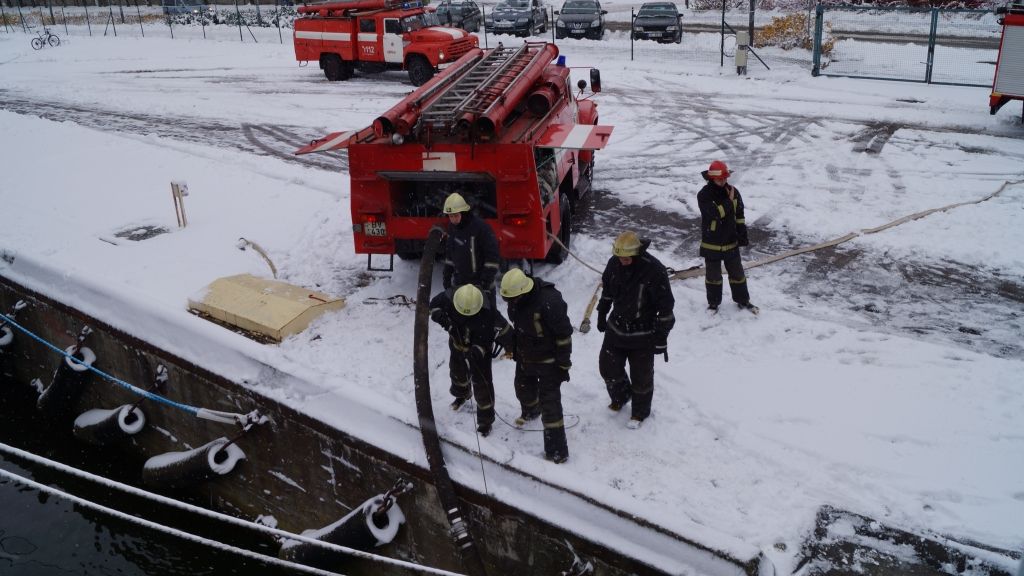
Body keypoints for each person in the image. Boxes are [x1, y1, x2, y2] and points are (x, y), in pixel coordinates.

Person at [596, 231, 676, 429]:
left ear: (636, 254)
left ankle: (639, 412)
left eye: (626, 258)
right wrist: (602, 312)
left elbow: (666, 307)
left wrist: (661, 337)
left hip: (643, 334)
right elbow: (607, 291)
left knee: (642, 377)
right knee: (608, 367)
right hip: (616, 328)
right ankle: (621, 396)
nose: (622, 261)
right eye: (619, 257)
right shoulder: (614, 264)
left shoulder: (654, 270)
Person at [499, 268, 573, 464]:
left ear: (523, 291)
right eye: (507, 299)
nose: (510, 303)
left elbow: (564, 335)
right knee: (523, 388)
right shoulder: (515, 300)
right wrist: (516, 350)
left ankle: (557, 451)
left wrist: (563, 365)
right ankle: (531, 411)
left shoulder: (550, 301)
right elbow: (519, 328)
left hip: (549, 362)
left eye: (512, 299)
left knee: (551, 405)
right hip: (526, 356)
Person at [429, 284, 514, 436]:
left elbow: (505, 332)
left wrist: (478, 351)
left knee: (482, 385)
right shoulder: (449, 297)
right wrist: (446, 322)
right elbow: (433, 307)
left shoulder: (489, 312)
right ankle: (461, 395)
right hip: (457, 342)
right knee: (457, 373)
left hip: (479, 351)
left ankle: (485, 422)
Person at [697, 160, 756, 313]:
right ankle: (713, 303)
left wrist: (742, 233)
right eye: (719, 179)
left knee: (738, 275)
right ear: (712, 178)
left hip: (731, 242)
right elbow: (715, 214)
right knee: (713, 277)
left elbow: (739, 215)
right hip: (712, 243)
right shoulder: (704, 195)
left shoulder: (734, 192)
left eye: (725, 178)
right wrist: (729, 201)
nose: (723, 181)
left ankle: (743, 300)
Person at [442, 192, 500, 301]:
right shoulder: (452, 228)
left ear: (463, 213)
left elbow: (492, 257)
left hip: (482, 286)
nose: (453, 220)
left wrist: (484, 283)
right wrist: (447, 277)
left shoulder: (481, 228)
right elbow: (450, 255)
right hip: (460, 286)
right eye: (450, 216)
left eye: (456, 216)